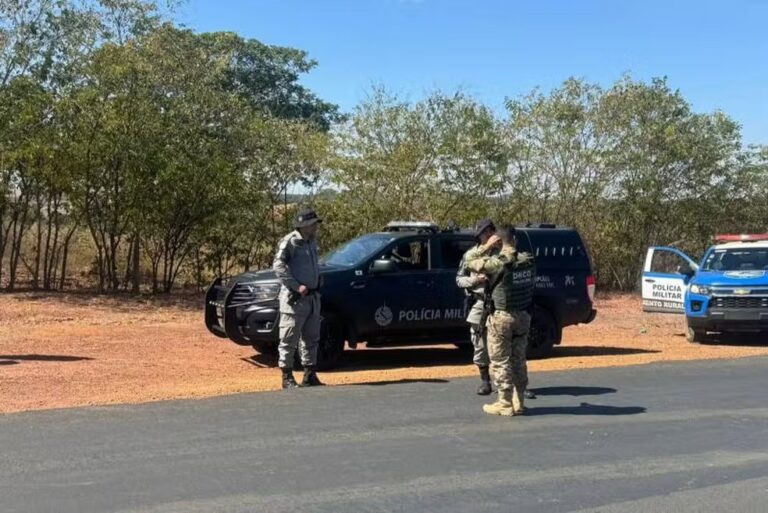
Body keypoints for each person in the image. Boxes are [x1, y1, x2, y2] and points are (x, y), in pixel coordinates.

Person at [465, 226, 536, 416]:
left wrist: (485, 247)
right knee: (519, 359)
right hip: (523, 316)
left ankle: (504, 403)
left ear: (498, 240)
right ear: (516, 240)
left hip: (501, 317)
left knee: (500, 361)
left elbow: (469, 262)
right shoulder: (527, 260)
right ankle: (518, 401)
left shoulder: (497, 263)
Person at [272, 207, 324, 389]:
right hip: (295, 300)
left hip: (312, 299)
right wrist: (296, 286)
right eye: (313, 223)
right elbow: (278, 266)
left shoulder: (311, 241)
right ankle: (287, 377)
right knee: (289, 338)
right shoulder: (290, 242)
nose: (316, 226)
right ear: (305, 225)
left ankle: (310, 374)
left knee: (312, 338)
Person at [456, 219, 499, 395]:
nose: (487, 234)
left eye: (490, 231)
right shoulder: (471, 255)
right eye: (484, 231)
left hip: (500, 305)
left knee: (504, 345)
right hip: (480, 303)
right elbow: (459, 279)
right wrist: (475, 280)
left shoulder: (503, 253)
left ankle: (509, 382)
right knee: (479, 342)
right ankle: (485, 381)